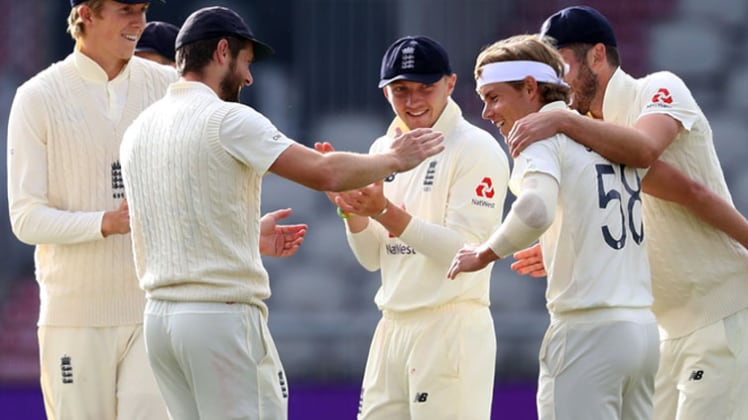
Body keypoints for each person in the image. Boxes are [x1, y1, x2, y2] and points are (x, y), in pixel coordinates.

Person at [119, 6, 445, 420]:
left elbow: (168, 217)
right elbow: (324, 172)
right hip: (221, 318)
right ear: (223, 51)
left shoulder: (139, 128)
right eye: (246, 62)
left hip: (160, 322)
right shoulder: (227, 118)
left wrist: (244, 235)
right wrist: (394, 160)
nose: (249, 78)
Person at [507, 6, 748, 420]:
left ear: (597, 56)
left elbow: (645, 155)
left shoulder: (659, 88)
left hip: (721, 316)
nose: (553, 84)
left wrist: (562, 123)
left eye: (559, 65)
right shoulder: (583, 128)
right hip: (660, 333)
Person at [447, 34, 659, 420]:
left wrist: (483, 252)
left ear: (530, 88)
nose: (487, 112)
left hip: (587, 332)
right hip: (642, 331)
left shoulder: (539, 135)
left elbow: (534, 211)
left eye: (493, 97)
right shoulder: (604, 133)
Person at [319, 35, 509, 419]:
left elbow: (464, 253)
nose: (413, 101)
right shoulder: (381, 150)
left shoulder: (476, 147)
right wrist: (352, 209)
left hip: (450, 325)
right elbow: (373, 258)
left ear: (451, 84)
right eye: (401, 89)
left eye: (426, 87)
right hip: (391, 327)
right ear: (385, 91)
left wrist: (384, 210)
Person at [6, 1, 178, 419]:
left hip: (151, 311)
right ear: (86, 13)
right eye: (124, 10)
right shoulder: (36, 97)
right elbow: (25, 217)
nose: (139, 21)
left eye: (142, 9)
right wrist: (105, 223)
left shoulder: (170, 86)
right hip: (74, 318)